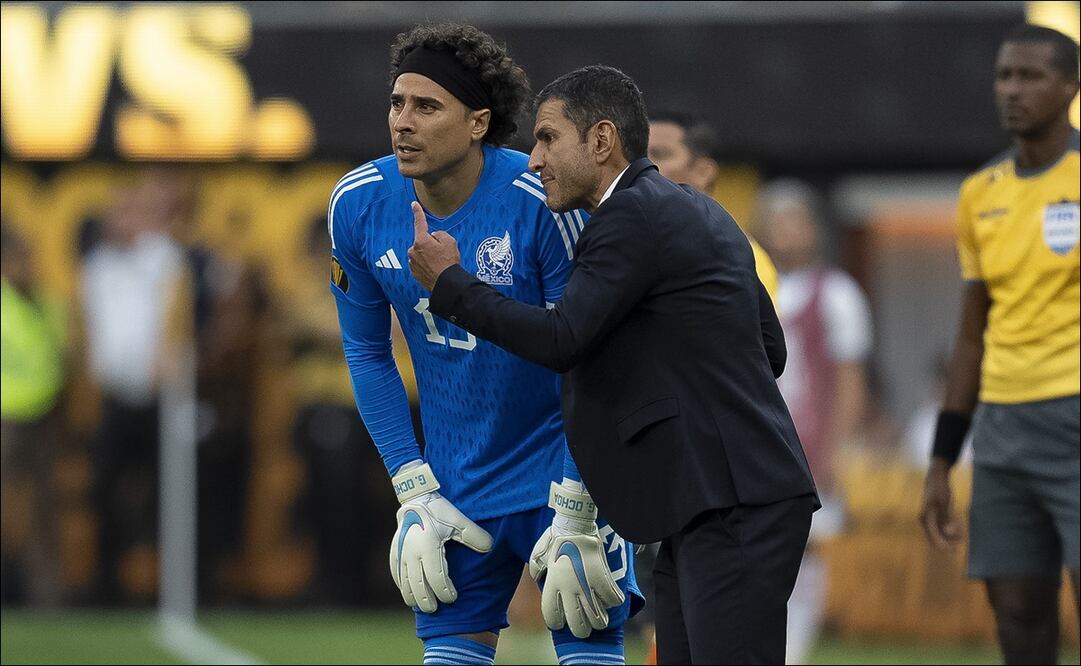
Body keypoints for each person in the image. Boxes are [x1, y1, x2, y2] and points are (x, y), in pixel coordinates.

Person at [409, 64, 818, 664]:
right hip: (718, 496)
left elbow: (562, 339)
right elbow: (770, 350)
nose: (534, 159)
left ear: (601, 140)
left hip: (731, 500)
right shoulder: (699, 210)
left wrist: (452, 287)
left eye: (548, 138)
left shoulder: (627, 216)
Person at [328, 25, 641, 665]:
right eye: (397, 103)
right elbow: (366, 351)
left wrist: (581, 497)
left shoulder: (544, 201)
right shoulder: (357, 205)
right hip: (451, 480)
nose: (403, 122)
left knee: (589, 647)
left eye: (427, 106)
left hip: (560, 473)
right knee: (451, 653)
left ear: (478, 122)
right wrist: (412, 484)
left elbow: (592, 351)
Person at [919, 24, 1079, 666]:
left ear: (1070, 87)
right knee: (1018, 617)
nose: (1011, 90)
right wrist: (940, 461)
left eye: (1030, 76)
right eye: (1004, 76)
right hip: (1003, 429)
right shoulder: (979, 194)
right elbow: (970, 335)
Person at [757, 178, 874, 663]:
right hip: (759, 438)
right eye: (776, 221)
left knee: (806, 548)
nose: (785, 232)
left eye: (794, 220)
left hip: (809, 440)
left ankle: (795, 646)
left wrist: (837, 447)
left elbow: (850, 379)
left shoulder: (837, 292)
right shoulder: (755, 283)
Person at [647, 110, 779, 303]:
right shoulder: (624, 242)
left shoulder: (746, 260)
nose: (643, 165)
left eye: (660, 154)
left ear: (703, 172)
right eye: (637, 155)